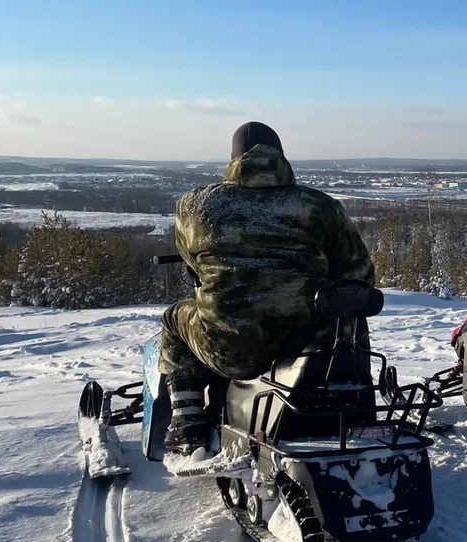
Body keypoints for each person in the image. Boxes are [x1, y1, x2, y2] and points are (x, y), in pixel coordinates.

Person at [159, 122, 375, 455]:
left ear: (234, 159)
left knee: (174, 319)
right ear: (281, 157)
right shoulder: (319, 206)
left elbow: (192, 260)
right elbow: (359, 273)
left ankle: (187, 421)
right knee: (351, 307)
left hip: (231, 350)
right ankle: (355, 391)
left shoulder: (196, 206)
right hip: (311, 349)